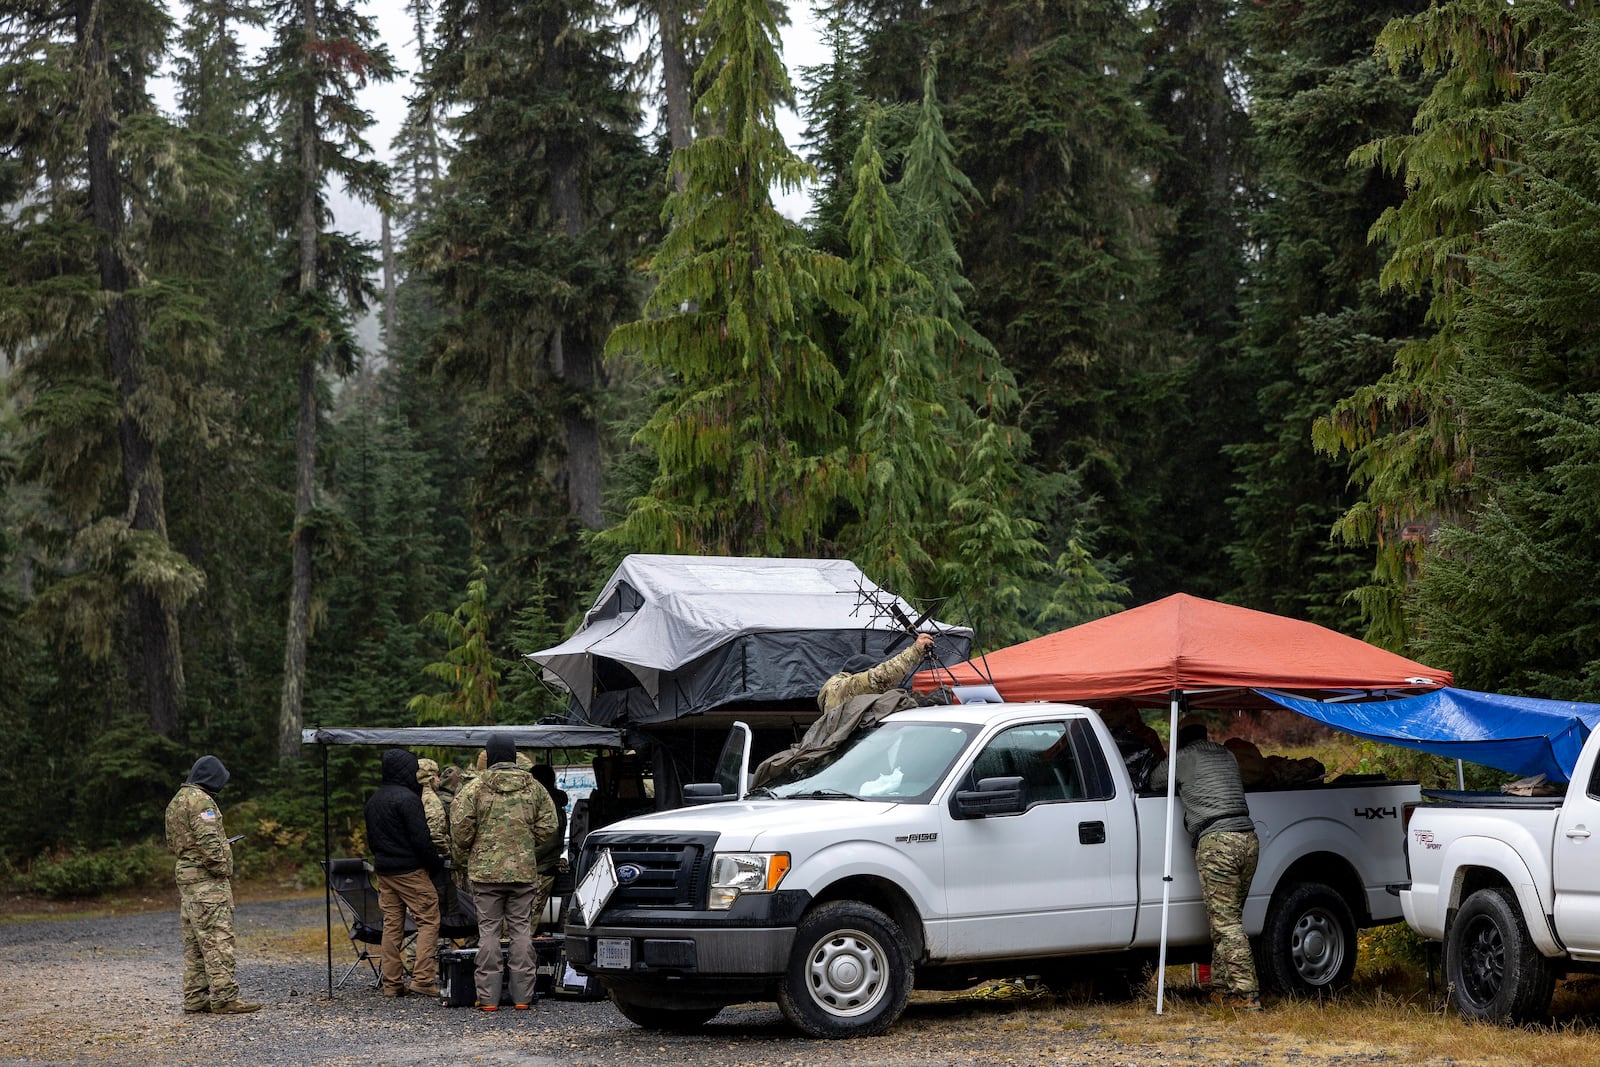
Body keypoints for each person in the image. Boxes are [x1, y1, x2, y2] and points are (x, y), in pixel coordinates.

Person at [1150, 714, 1262, 1011]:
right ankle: (1221, 990)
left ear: (1181, 737)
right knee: (1226, 919)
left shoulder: (1185, 757)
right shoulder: (1226, 754)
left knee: (1225, 924)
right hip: (1248, 838)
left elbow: (1155, 779)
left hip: (1217, 841)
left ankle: (1246, 993)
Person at [450, 733, 558, 1011]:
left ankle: (488, 998)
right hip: (523, 871)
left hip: (486, 874)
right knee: (521, 930)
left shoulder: (474, 789)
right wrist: (524, 842)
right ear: (512, 755)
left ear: (490, 755)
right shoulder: (533, 787)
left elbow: (460, 831)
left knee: (488, 932)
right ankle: (523, 997)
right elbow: (550, 826)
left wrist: (480, 845)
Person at [164, 755, 261, 1015]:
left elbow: (176, 842)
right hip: (207, 882)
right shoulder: (201, 801)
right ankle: (225, 998)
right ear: (211, 778)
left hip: (187, 877)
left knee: (196, 941)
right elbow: (209, 844)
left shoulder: (177, 801)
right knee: (218, 938)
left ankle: (196, 997)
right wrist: (222, 867)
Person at [364, 749, 446, 998]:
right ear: (406, 770)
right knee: (429, 920)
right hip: (410, 870)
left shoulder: (374, 799)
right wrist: (435, 865)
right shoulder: (409, 799)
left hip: (385, 871)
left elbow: (371, 840)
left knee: (392, 926)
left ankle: (391, 983)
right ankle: (422, 979)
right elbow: (422, 840)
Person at [817, 632, 935, 714]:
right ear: (858, 675)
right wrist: (916, 650)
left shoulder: (837, 694)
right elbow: (881, 677)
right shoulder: (846, 687)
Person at [528, 764, 569, 927]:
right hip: (540, 866)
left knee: (526, 922)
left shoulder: (547, 804)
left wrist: (526, 857)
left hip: (541, 869)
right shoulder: (550, 803)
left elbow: (550, 839)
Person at [416, 757, 450, 857]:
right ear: (431, 778)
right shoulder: (431, 800)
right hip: (433, 858)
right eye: (436, 776)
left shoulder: (412, 795)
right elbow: (436, 834)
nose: (439, 780)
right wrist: (446, 852)